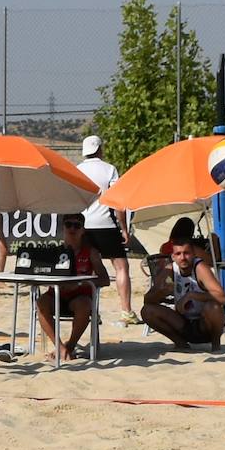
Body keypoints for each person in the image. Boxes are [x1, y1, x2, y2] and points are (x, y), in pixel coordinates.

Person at [77, 135, 136, 326]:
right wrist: (124, 228)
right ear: (100, 149)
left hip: (84, 225)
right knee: (121, 267)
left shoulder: (77, 170)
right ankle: (126, 311)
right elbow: (117, 202)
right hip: (106, 224)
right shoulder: (109, 169)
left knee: (89, 269)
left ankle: (92, 311)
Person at [35, 213, 110, 361]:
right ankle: (60, 347)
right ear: (63, 228)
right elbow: (42, 274)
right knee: (41, 302)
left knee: (84, 304)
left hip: (79, 296)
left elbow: (105, 279)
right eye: (69, 224)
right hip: (57, 294)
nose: (72, 228)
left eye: (77, 225)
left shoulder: (91, 252)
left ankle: (69, 346)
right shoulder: (55, 251)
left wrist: (79, 284)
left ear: (83, 230)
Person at [140, 238, 225, 351]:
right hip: (183, 322)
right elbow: (147, 300)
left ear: (194, 254)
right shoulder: (170, 269)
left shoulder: (200, 268)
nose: (183, 258)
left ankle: (216, 345)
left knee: (213, 307)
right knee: (147, 311)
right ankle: (180, 343)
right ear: (173, 257)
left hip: (204, 323)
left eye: (186, 253)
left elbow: (222, 297)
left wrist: (192, 295)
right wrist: (160, 292)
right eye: (178, 254)